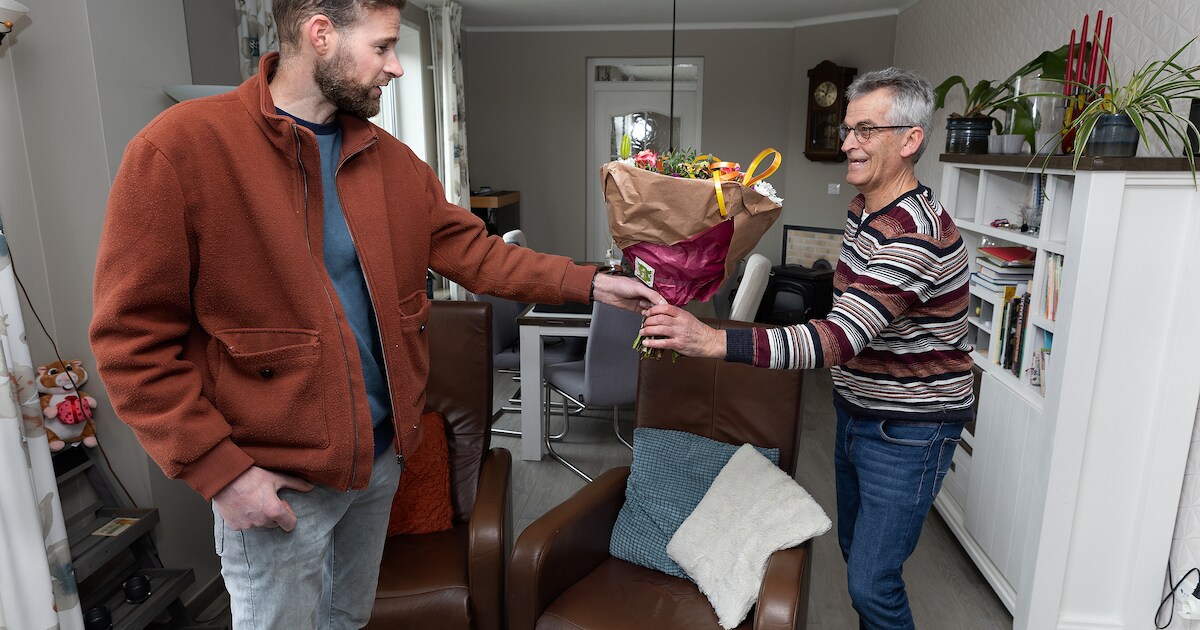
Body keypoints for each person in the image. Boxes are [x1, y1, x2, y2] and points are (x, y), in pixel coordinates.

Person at [88, 0, 661, 627]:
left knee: (350, 621)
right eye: (384, 47)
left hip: (380, 461)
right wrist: (220, 472)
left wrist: (594, 284)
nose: (397, 68)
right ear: (321, 34)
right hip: (277, 481)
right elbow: (129, 341)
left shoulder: (389, 160)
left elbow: (475, 253)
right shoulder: (182, 149)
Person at [639, 67, 974, 629]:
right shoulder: (866, 210)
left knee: (872, 583)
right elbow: (850, 317)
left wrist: (713, 339)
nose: (848, 143)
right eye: (848, 129)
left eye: (865, 130)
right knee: (859, 556)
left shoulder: (914, 232)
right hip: (859, 409)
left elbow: (838, 339)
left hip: (910, 425)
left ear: (910, 140)